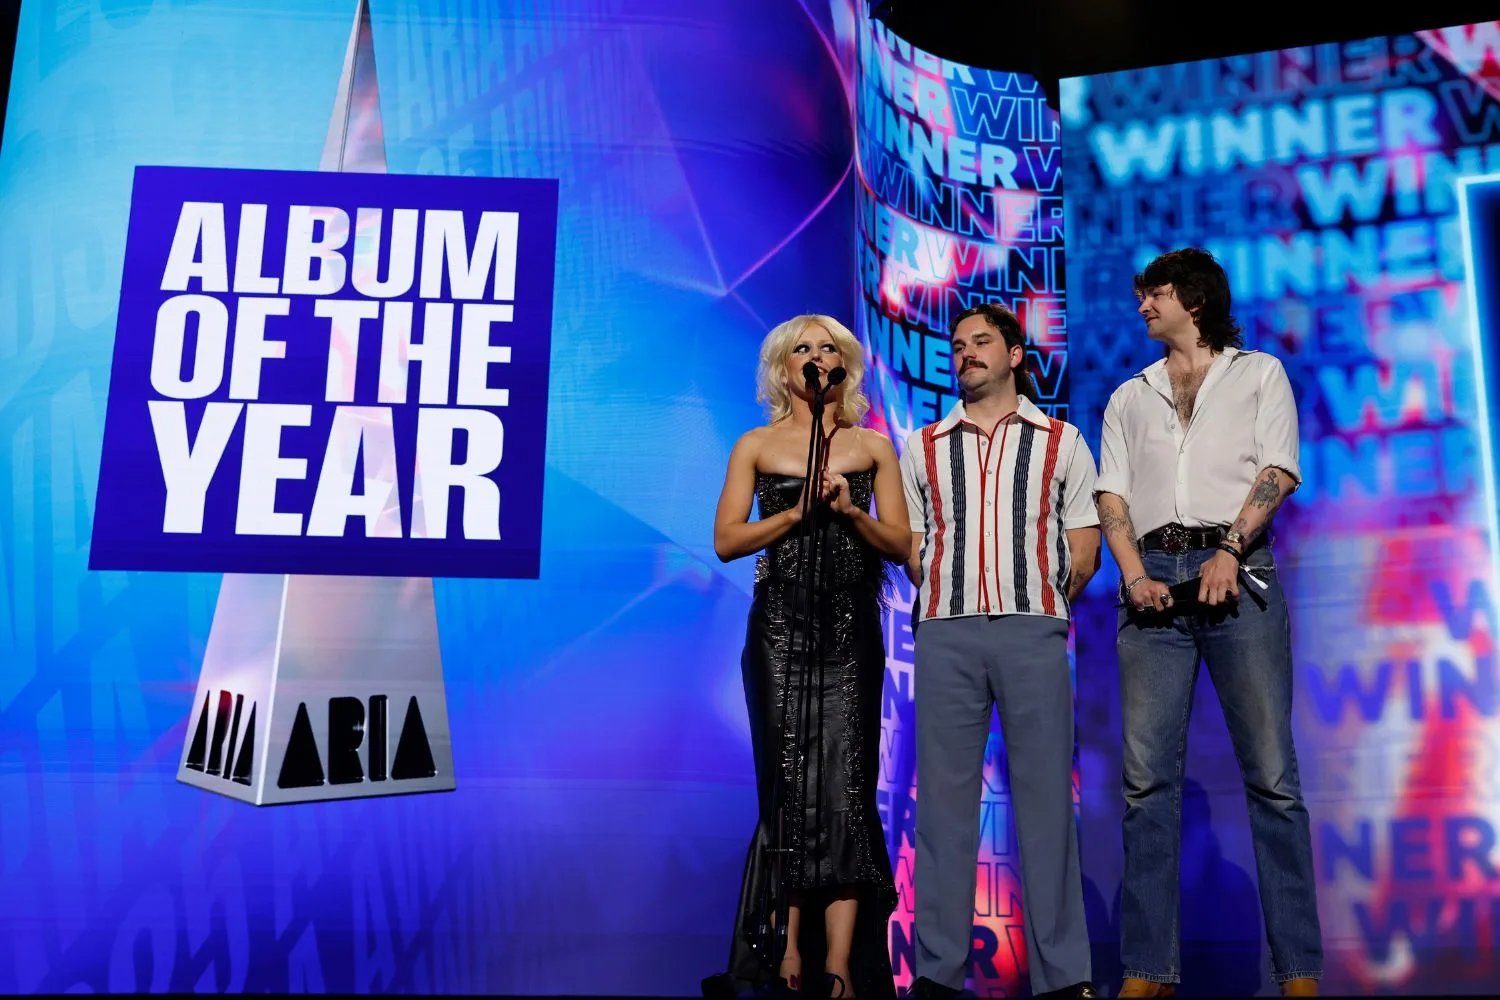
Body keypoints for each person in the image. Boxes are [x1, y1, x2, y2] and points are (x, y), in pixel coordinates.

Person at [1094, 248, 1322, 998]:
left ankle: (1297, 973)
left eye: (1152, 294)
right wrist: (1131, 574)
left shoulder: (1258, 374)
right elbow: (1112, 496)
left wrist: (1230, 546)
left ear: (1191, 298)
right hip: (1152, 581)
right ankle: (1147, 971)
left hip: (1239, 576)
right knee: (1145, 785)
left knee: (1273, 779)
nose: (1142, 308)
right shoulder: (1131, 395)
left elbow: (1278, 470)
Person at [900, 303, 1100, 1000]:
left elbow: (1083, 549)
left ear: (1016, 354)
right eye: (957, 345)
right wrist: (951, 589)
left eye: (982, 341)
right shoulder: (922, 444)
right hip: (947, 633)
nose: (966, 353)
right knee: (943, 812)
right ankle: (938, 975)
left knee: (1047, 805)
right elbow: (912, 545)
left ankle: (1063, 976)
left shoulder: (1063, 441)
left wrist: (1034, 600)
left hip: (1032, 629)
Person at [711, 315, 910, 999]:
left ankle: (843, 963)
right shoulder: (757, 445)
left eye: (829, 348)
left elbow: (903, 546)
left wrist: (851, 512)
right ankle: (787, 948)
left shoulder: (873, 448)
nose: (817, 357)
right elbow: (728, 540)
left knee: (848, 785)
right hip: (780, 629)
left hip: (851, 628)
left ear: (844, 366)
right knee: (789, 782)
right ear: (783, 368)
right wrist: (793, 516)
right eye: (803, 348)